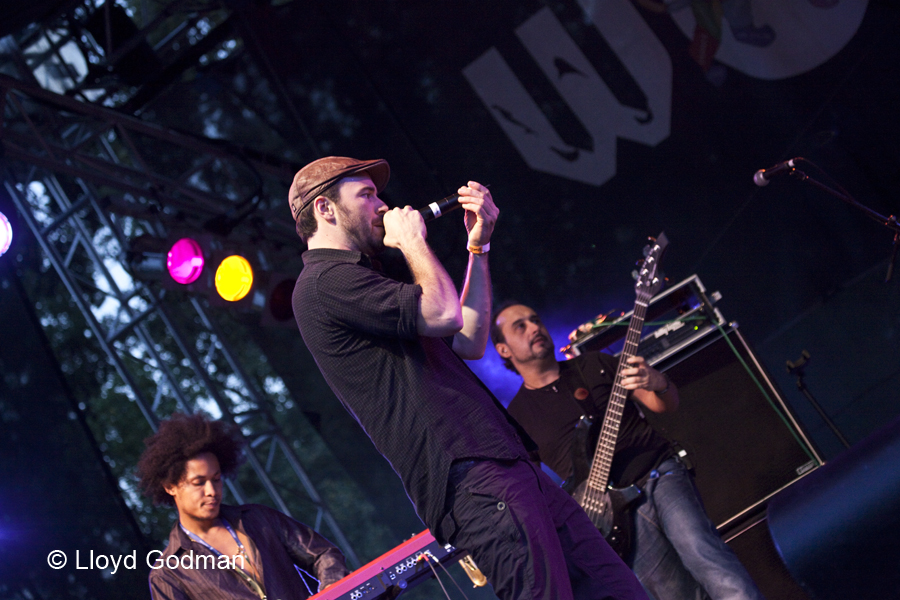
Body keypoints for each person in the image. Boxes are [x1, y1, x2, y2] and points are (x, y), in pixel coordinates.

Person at [289, 156, 648, 600]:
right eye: (366, 195)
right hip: (470, 477)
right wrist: (413, 243)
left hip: (505, 462)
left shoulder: (363, 276)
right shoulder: (323, 283)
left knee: (620, 591)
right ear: (325, 209)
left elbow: (469, 339)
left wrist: (478, 248)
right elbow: (441, 311)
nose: (382, 206)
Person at [492, 303, 766, 600]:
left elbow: (664, 404)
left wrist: (658, 382)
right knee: (675, 594)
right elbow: (536, 489)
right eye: (520, 326)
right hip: (611, 518)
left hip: (658, 473)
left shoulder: (593, 364)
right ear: (504, 350)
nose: (534, 328)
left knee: (709, 561)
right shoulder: (516, 417)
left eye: (535, 320)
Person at [137, 413, 349, 600]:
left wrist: (331, 592)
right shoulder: (168, 574)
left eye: (217, 479)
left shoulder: (258, 518)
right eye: (199, 482)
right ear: (170, 486)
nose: (212, 490)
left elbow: (323, 554)